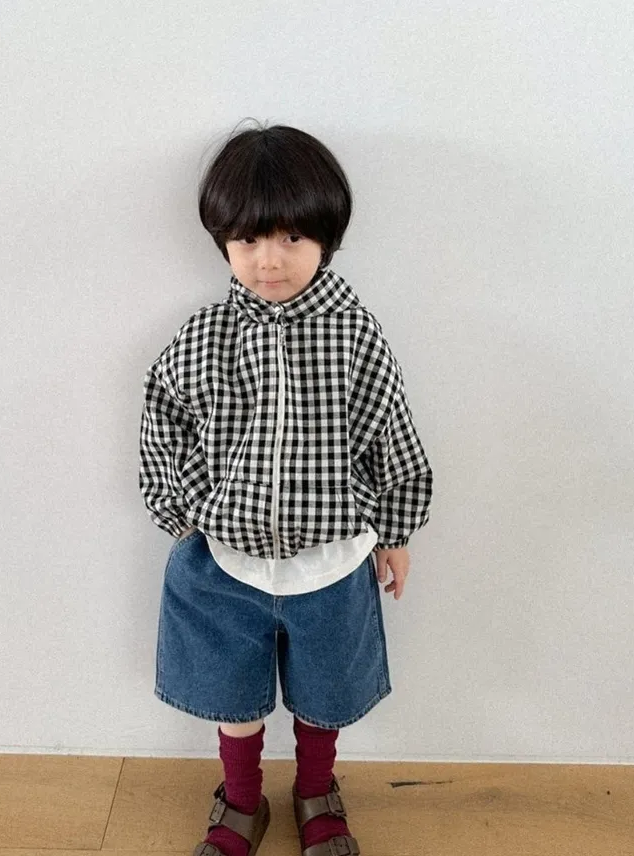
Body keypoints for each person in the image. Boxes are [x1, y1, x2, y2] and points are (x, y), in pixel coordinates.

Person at [138, 121, 433, 856]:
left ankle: (315, 792)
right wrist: (183, 511)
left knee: (325, 693)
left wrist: (395, 531)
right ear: (223, 242)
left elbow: (389, 429)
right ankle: (241, 800)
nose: (268, 260)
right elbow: (163, 414)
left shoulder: (354, 334)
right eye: (248, 240)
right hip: (223, 565)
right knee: (230, 693)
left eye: (291, 238)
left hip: (330, 563)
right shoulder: (205, 336)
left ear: (325, 238)